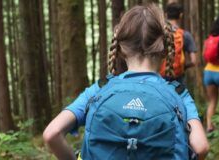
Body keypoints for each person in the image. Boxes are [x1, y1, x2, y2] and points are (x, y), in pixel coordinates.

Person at [43, 4, 209, 160]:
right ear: (165, 49)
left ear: (121, 48)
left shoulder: (100, 88)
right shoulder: (178, 93)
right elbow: (200, 147)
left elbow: (52, 134)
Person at [160, 2, 197, 83]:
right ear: (181, 15)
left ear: (165, 15)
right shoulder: (185, 35)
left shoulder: (158, 33)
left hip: (159, 77)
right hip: (177, 78)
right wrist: (183, 67)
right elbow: (194, 61)